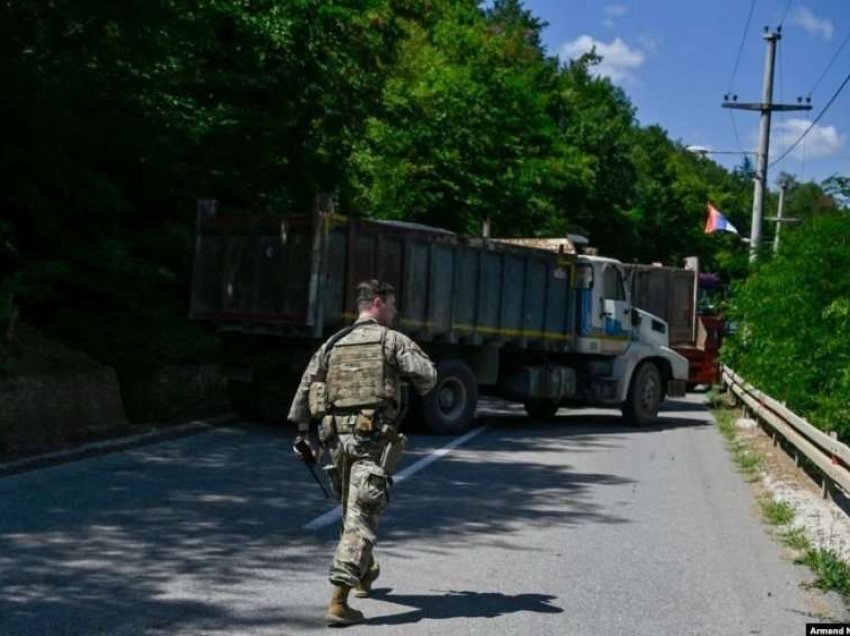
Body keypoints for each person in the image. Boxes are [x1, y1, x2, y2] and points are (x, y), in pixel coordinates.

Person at [289, 279, 437, 627]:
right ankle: (339, 602)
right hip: (370, 442)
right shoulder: (391, 340)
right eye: (393, 304)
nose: (396, 311)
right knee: (361, 515)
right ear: (377, 302)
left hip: (333, 442)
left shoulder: (332, 343)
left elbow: (305, 390)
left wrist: (301, 435)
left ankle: (366, 572)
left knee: (350, 509)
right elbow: (428, 377)